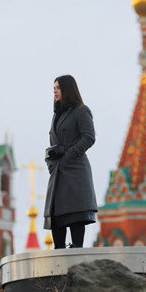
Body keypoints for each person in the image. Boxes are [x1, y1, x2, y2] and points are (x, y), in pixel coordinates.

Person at [43, 75, 97, 249]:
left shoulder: (81, 110)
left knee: (75, 216)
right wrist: (51, 162)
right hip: (57, 173)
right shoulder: (56, 116)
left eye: (58, 87)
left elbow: (88, 137)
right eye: (54, 88)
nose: (54, 90)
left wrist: (68, 155)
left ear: (67, 89)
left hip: (75, 173)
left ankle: (76, 259)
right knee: (57, 220)